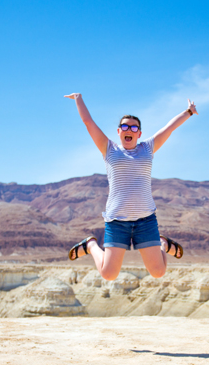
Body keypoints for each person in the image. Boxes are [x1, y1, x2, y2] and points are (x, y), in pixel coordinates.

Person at [64, 93, 198, 281]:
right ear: (119, 131)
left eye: (134, 127)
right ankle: (90, 245)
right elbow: (88, 122)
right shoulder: (108, 148)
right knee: (108, 274)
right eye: (125, 126)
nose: (129, 129)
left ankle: (162, 244)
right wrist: (78, 98)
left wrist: (189, 112)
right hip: (117, 221)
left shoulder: (148, 148)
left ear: (139, 133)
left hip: (145, 221)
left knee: (158, 272)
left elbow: (169, 128)